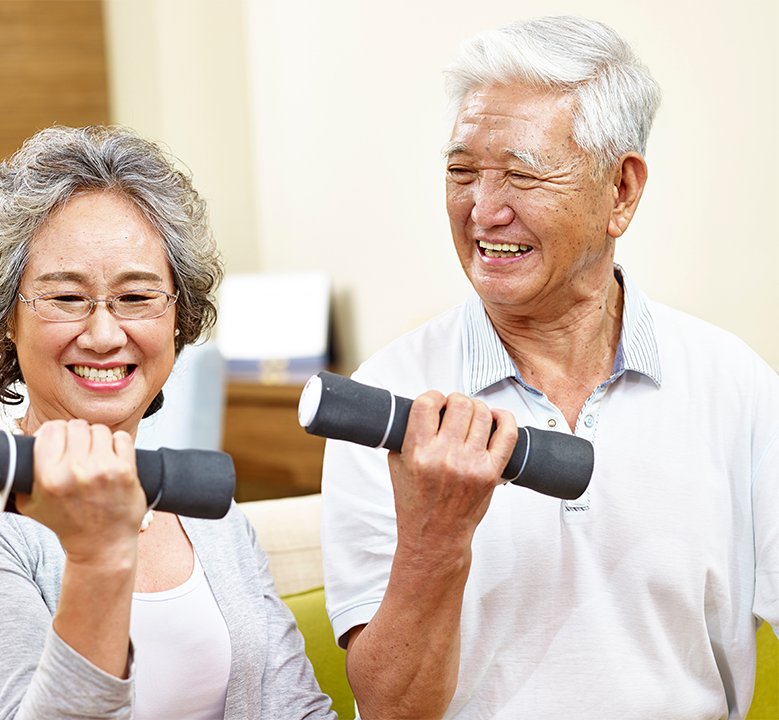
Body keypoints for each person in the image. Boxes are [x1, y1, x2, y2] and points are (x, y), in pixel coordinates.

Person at [320, 15, 778, 720]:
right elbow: (390, 709)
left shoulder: (735, 385)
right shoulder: (387, 399)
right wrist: (435, 537)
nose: (482, 210)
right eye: (462, 172)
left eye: (523, 174)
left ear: (621, 191)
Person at [0, 125, 336, 720]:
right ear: (8, 321)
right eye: (66, 298)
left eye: (138, 297)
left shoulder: (211, 517)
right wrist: (99, 558)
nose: (102, 334)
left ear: (179, 318)